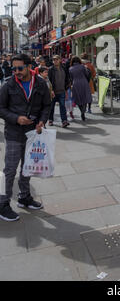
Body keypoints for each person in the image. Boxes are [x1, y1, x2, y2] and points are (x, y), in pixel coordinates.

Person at [0, 53, 51, 222]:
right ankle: (3, 204)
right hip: (14, 133)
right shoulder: (8, 85)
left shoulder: (41, 83)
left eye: (20, 68)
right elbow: (1, 108)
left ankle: (24, 197)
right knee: (10, 170)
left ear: (29, 67)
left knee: (27, 167)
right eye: (14, 68)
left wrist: (42, 121)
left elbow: (47, 105)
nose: (16, 72)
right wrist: (16, 118)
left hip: (32, 134)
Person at [48, 55, 70, 128]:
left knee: (63, 106)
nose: (55, 61)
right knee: (51, 107)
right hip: (53, 92)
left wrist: (67, 88)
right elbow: (49, 80)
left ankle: (64, 121)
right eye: (54, 60)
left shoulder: (64, 68)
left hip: (62, 91)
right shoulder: (51, 69)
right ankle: (50, 119)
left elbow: (67, 79)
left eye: (56, 59)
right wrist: (51, 90)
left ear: (60, 60)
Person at [69, 56, 92, 121]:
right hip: (84, 82)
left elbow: (71, 78)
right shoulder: (82, 66)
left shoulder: (70, 68)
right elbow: (86, 74)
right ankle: (83, 112)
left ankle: (82, 110)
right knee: (85, 97)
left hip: (75, 84)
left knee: (77, 99)